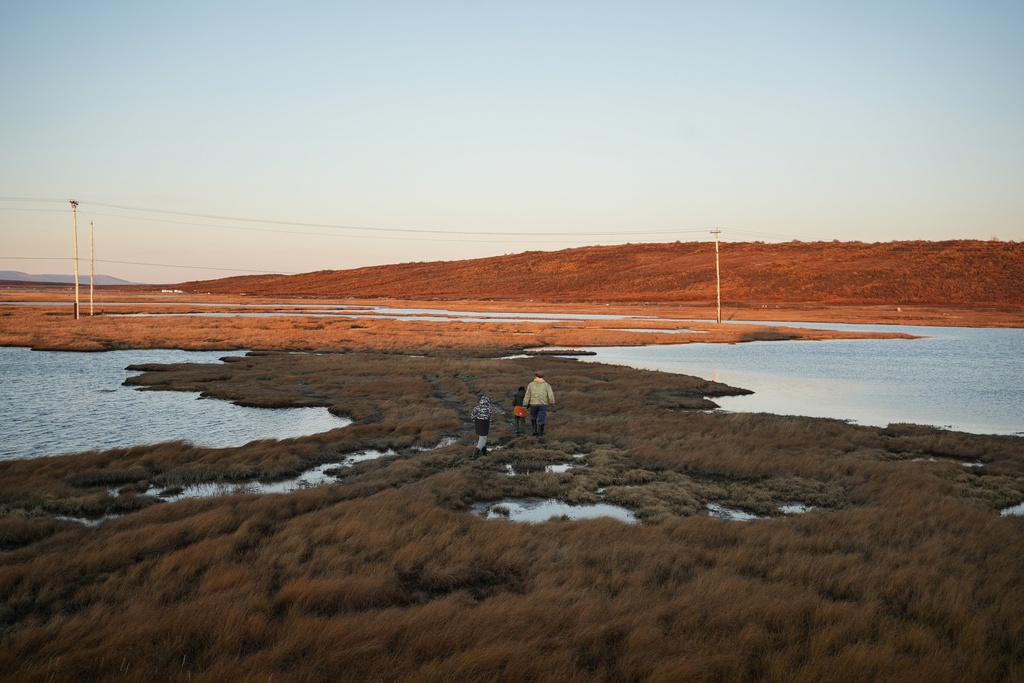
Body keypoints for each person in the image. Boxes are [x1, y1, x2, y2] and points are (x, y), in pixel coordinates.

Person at [523, 372, 554, 437]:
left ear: (535, 376)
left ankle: (534, 431)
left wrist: (525, 403)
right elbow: (550, 395)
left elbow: (527, 395)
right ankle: (540, 433)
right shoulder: (547, 385)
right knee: (542, 418)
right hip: (542, 404)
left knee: (533, 417)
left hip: (533, 404)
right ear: (542, 376)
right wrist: (552, 403)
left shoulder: (531, 384)